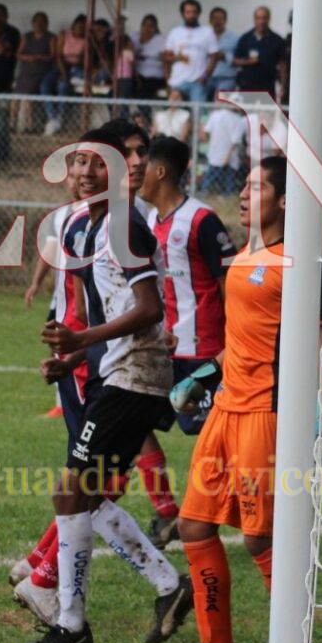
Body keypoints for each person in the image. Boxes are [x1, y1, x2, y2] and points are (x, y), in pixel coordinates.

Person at [16, 124, 193, 643]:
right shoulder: (88, 226)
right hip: (110, 371)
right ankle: (167, 585)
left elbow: (148, 308)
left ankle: (70, 625)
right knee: (86, 496)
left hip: (134, 376)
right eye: (79, 163)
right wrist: (73, 356)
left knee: (72, 492)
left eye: (100, 164)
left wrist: (82, 340)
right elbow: (112, 306)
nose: (87, 173)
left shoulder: (124, 226)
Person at [159, 155, 322, 643]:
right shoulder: (241, 260)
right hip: (226, 409)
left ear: (285, 201)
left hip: (267, 413)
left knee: (262, 540)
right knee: (193, 524)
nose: (242, 194)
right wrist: (205, 376)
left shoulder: (299, 261)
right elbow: (246, 340)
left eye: (257, 186)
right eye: (242, 185)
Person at [139, 136, 236, 442]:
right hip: (165, 348)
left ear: (160, 172)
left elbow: (229, 283)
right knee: (134, 421)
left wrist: (234, 339)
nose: (135, 173)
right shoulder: (150, 219)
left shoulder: (202, 220)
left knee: (210, 432)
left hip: (203, 349)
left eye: (142, 166)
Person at [163, 0, 219, 102]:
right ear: (183, 14)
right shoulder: (175, 32)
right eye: (188, 12)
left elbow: (214, 57)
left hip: (197, 83)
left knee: (198, 114)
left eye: (194, 12)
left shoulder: (207, 32)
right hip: (177, 82)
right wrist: (168, 80)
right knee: (177, 114)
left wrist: (205, 76)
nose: (191, 15)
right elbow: (166, 58)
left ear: (199, 14)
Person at [15, 11, 58, 133]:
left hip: (42, 71)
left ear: (47, 24)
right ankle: (13, 125)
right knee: (16, 96)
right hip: (26, 70)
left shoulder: (51, 37)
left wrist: (39, 57)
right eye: (37, 22)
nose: (39, 25)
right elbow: (18, 54)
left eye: (42, 22)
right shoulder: (26, 36)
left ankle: (30, 126)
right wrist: (28, 58)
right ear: (32, 23)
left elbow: (52, 56)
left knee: (29, 94)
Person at [231, 6, 284, 96]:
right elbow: (234, 61)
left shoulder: (277, 40)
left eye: (264, 18)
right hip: (247, 86)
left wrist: (283, 85)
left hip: (268, 87)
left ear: (269, 19)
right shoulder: (245, 38)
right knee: (247, 110)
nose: (262, 21)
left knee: (266, 110)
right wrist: (248, 62)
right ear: (254, 19)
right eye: (259, 18)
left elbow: (283, 64)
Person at [201, 103, 248, 195]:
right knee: (226, 182)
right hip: (227, 157)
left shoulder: (216, 115)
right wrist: (227, 157)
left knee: (216, 180)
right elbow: (235, 141)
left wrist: (226, 157)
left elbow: (205, 134)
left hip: (218, 156)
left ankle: (206, 194)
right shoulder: (238, 120)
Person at [206, 6, 238, 98]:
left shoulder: (234, 39)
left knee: (220, 104)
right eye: (215, 18)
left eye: (221, 18)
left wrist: (224, 56)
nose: (218, 21)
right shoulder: (204, 37)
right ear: (210, 21)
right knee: (202, 105)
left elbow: (239, 60)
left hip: (226, 78)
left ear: (225, 20)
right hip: (207, 78)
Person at [134, 13, 168, 101]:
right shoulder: (134, 37)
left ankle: (145, 113)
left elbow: (165, 60)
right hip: (137, 76)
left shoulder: (161, 39)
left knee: (144, 92)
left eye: (151, 26)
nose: (147, 28)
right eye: (145, 25)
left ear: (155, 27)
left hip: (154, 77)